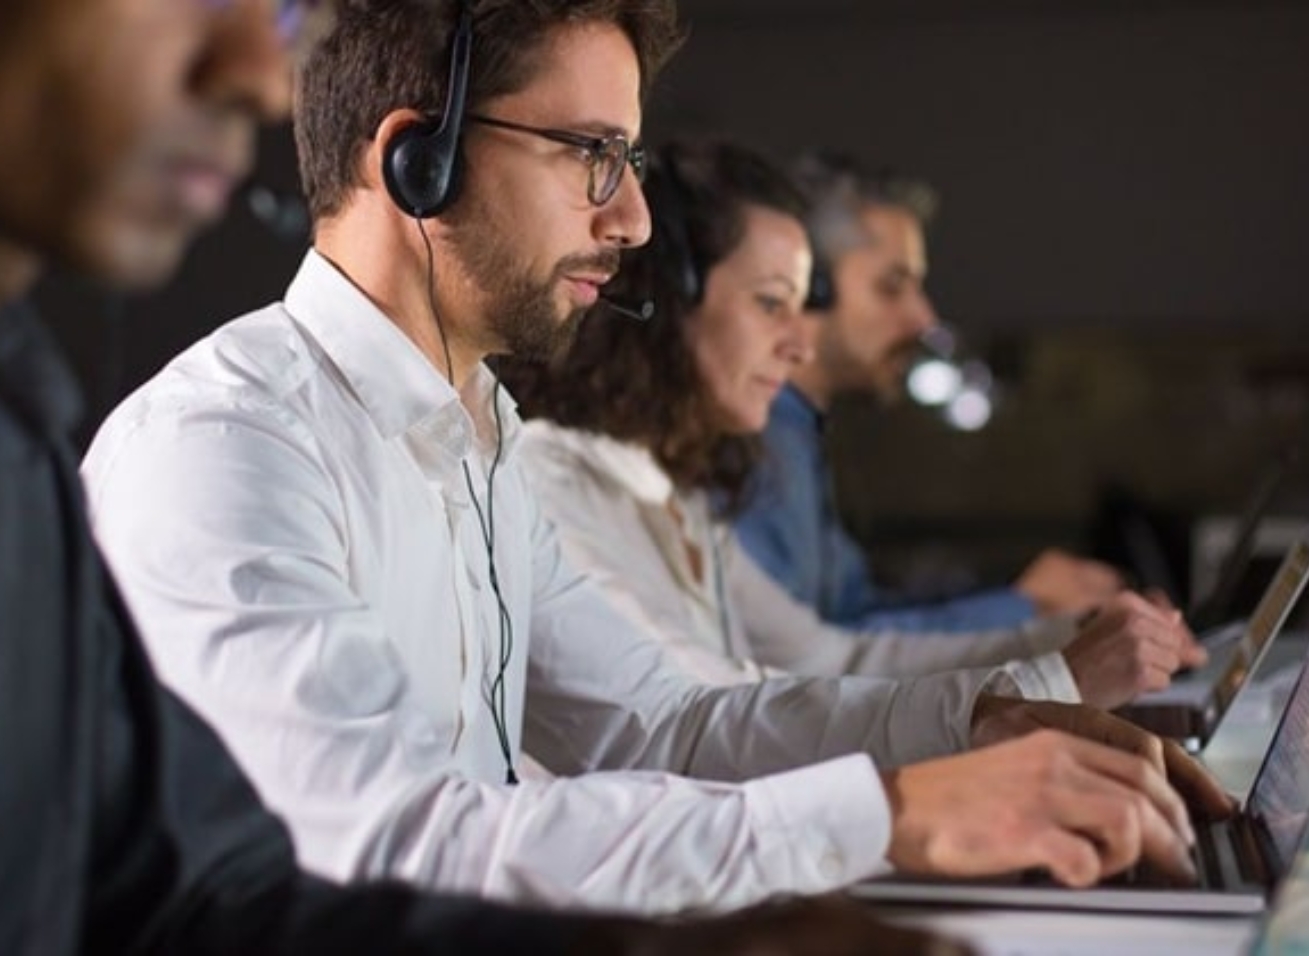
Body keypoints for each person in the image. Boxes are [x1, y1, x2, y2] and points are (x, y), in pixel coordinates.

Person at [0, 0, 961, 951]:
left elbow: (196, 897)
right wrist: (874, 817)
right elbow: (364, 843)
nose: (259, 76)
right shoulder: (209, 446)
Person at [82, 0, 1231, 918]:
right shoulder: (228, 447)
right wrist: (889, 815)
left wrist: (987, 723)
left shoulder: (480, 434)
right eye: (591, 154)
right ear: (413, 162)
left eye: (624, 159)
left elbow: (662, 724)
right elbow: (387, 843)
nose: (630, 218)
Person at [501, 139, 1202, 710]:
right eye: (773, 304)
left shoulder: (673, 493)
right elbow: (698, 719)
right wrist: (1046, 677)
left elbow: (829, 659)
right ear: (665, 304)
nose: (800, 344)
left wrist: (1058, 643)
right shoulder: (554, 486)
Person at [735, 153, 1125, 632]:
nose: (924, 319)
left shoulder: (797, 434)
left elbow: (850, 612)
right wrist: (1022, 608)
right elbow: (802, 659)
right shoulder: (750, 437)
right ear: (808, 286)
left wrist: (1022, 595)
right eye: (892, 287)